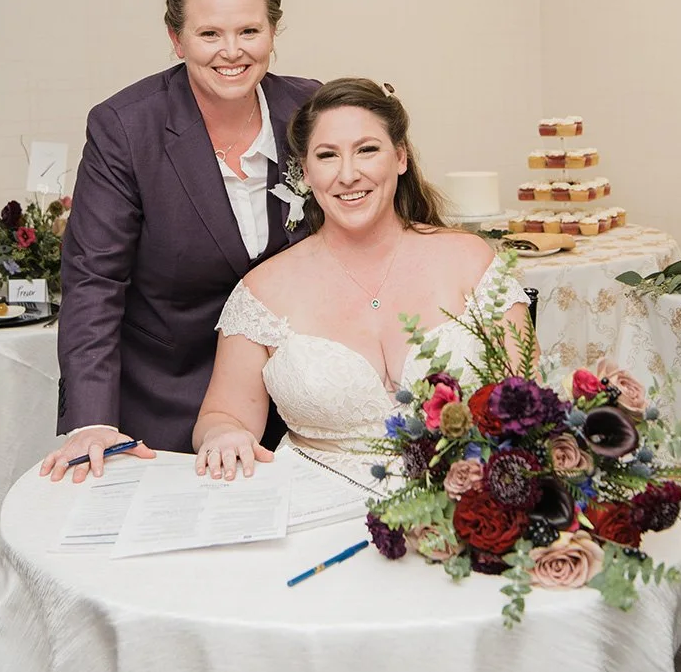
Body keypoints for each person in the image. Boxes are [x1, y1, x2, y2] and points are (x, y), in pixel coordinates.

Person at [41, 0, 320, 482]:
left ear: (273, 31)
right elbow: (94, 280)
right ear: (176, 38)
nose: (232, 51)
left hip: (296, 402)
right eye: (209, 33)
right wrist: (93, 420)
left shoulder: (309, 110)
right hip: (166, 402)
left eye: (249, 30)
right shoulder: (127, 127)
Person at [193, 78, 534, 487]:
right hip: (314, 503)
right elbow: (222, 416)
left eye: (367, 150)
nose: (348, 174)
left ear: (400, 157)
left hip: (466, 499)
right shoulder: (262, 290)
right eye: (327, 155)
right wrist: (222, 434)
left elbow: (530, 398)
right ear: (306, 172)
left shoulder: (471, 260)